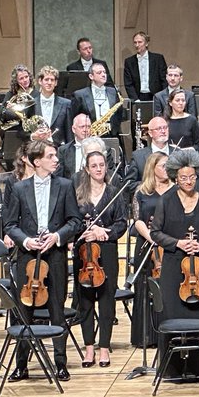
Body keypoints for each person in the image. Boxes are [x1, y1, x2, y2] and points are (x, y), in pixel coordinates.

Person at [4, 140, 82, 382]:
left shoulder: (65, 185)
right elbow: (10, 225)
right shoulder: (19, 188)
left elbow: (75, 221)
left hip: (55, 257)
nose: (56, 159)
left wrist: (57, 237)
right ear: (36, 161)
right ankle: (21, 364)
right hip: (28, 258)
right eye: (50, 156)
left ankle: (60, 362)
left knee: (57, 309)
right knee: (24, 311)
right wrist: (26, 241)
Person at [150, 148, 199, 376]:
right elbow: (155, 232)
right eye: (183, 178)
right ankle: (173, 369)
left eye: (192, 177)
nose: (188, 181)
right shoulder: (166, 201)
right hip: (172, 268)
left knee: (198, 315)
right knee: (172, 315)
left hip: (197, 270)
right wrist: (178, 243)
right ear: (175, 178)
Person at [73, 147, 127, 368]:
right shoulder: (77, 193)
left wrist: (104, 233)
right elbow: (70, 220)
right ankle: (88, 349)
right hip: (83, 254)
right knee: (85, 302)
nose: (98, 169)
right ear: (86, 169)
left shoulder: (114, 191)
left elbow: (122, 223)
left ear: (106, 167)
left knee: (106, 302)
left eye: (101, 165)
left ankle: (104, 348)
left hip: (107, 251)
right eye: (93, 166)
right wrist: (80, 232)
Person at [130, 151, 171, 350]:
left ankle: (168, 331)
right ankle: (146, 336)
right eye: (163, 165)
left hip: (170, 246)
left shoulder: (176, 190)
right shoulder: (141, 191)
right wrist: (153, 238)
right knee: (146, 289)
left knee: (167, 289)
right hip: (147, 245)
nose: (167, 169)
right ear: (152, 168)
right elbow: (137, 220)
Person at [72, 62, 124, 137]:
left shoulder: (113, 91)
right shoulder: (80, 95)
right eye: (99, 73)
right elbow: (74, 117)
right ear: (91, 76)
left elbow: (119, 114)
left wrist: (114, 130)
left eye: (104, 72)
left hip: (111, 134)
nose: (103, 75)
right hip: (90, 135)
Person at [32, 66, 72, 144]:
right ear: (40, 81)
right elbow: (22, 131)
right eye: (46, 79)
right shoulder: (31, 104)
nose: (49, 83)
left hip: (58, 150)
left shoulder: (66, 104)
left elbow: (69, 132)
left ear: (56, 83)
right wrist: (33, 136)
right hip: (36, 149)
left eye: (52, 80)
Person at [124, 31, 168, 102]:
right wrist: (135, 99)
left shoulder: (158, 59)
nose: (137, 45)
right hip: (138, 96)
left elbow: (164, 80)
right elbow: (128, 84)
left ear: (147, 43)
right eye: (135, 42)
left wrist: (162, 97)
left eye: (140, 42)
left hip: (156, 95)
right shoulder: (129, 62)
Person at [58, 113, 96, 179]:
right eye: (82, 127)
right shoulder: (63, 151)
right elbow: (58, 177)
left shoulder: (102, 148)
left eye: (88, 127)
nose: (85, 130)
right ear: (73, 129)